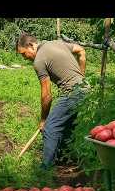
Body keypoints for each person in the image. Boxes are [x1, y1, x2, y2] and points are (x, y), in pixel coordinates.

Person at [16, 32, 90, 169]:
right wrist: (82, 77)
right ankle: (66, 159)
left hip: (72, 93)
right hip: (86, 90)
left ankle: (45, 168)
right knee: (67, 126)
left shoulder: (39, 61)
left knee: (50, 128)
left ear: (31, 45)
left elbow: (47, 96)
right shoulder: (56, 43)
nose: (25, 58)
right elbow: (81, 50)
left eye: (24, 54)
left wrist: (43, 120)